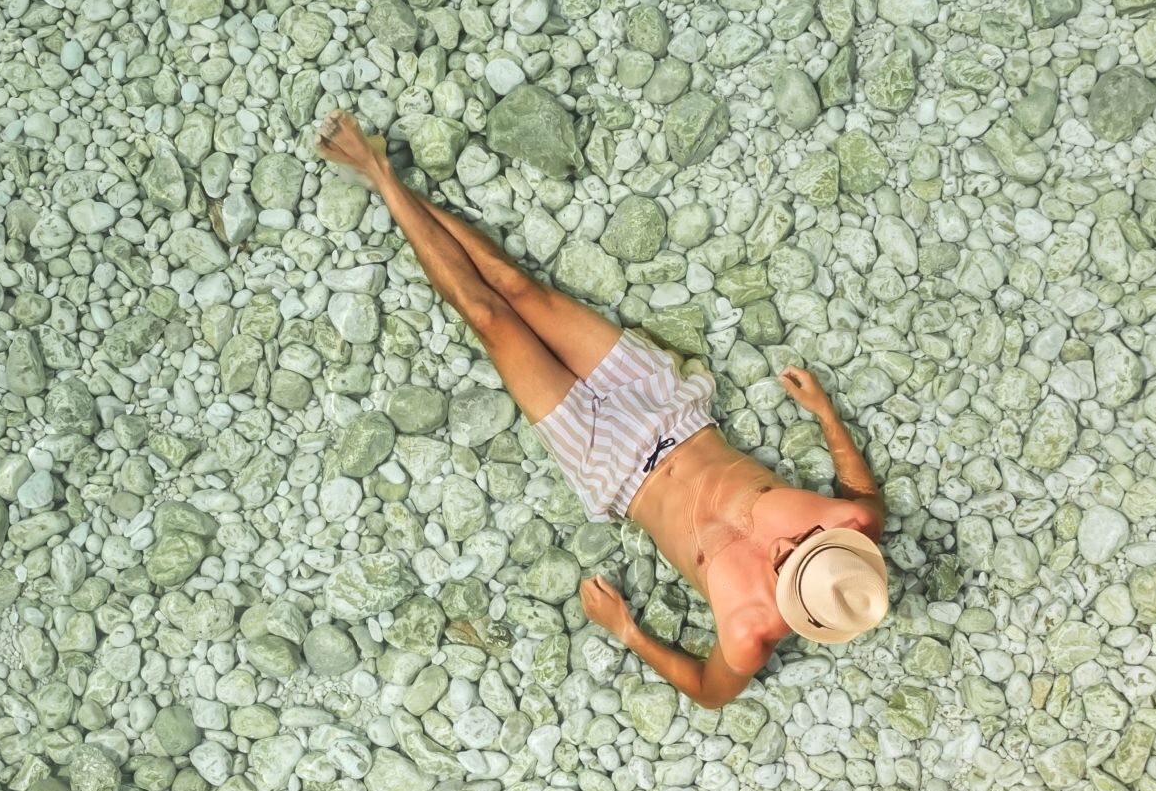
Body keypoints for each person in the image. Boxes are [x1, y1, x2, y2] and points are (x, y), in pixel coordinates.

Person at [316, 110, 889, 709]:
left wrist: (628, 632)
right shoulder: (854, 527)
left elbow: (709, 694)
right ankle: (379, 169)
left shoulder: (748, 632)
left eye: (788, 571)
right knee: (518, 288)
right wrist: (824, 413)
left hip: (612, 467)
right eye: (805, 545)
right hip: (671, 410)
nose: (785, 549)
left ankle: (379, 175)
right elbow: (865, 495)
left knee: (489, 321)